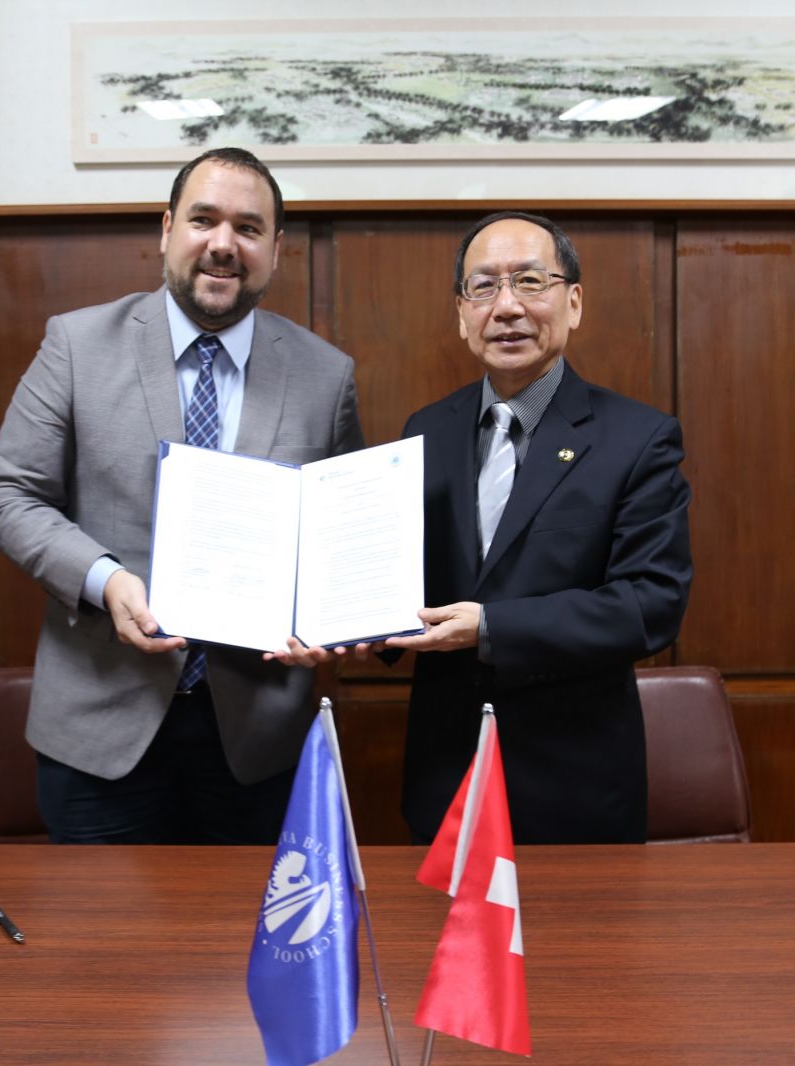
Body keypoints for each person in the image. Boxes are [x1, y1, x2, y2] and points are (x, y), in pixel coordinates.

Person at [0, 147, 364, 844]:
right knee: (102, 954)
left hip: (258, 743)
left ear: (276, 251)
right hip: (100, 733)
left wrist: (331, 626)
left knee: (246, 949)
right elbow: (10, 496)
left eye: (248, 229)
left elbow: (337, 541)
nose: (223, 244)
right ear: (166, 230)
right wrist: (106, 581)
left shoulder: (325, 376)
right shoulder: (76, 345)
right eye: (203, 220)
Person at [280, 210, 691, 844]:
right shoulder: (427, 430)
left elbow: (650, 605)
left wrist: (492, 627)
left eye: (530, 282)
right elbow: (405, 583)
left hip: (572, 786)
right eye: (484, 287)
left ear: (573, 302)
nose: (507, 307)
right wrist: (347, 628)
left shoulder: (637, 439)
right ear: (462, 313)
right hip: (445, 781)